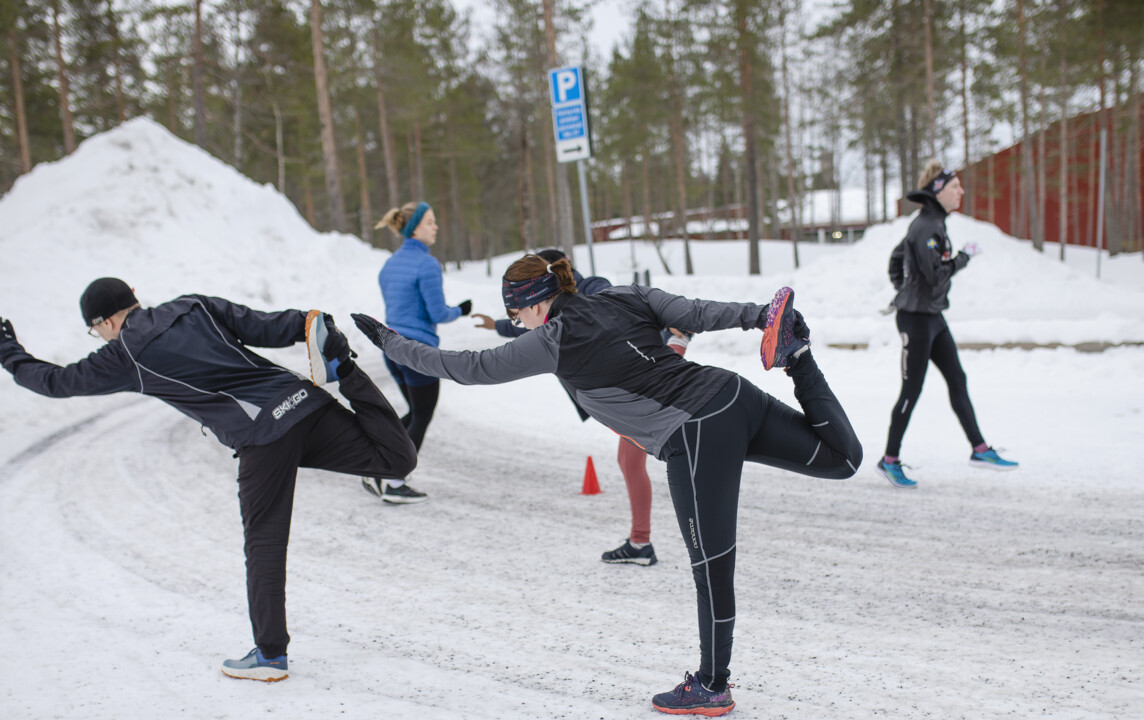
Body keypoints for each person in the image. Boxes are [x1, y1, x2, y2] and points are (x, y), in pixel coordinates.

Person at [351, 256, 863, 716]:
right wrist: (760, 315)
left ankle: (712, 686)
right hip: (732, 395)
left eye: (515, 316)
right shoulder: (624, 295)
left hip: (695, 433)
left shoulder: (552, 339)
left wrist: (391, 342)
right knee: (842, 460)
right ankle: (799, 358)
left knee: (712, 568)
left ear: (530, 304)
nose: (517, 326)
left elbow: (468, 367)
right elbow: (696, 312)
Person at [0, 277, 417, 682]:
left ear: (105, 322)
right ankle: (347, 371)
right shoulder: (194, 305)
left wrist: (8, 352)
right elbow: (268, 326)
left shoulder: (124, 355)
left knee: (264, 539)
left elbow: (57, 382)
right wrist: (307, 322)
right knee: (395, 460)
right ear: (133, 294)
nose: (99, 337)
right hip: (304, 401)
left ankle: (269, 655)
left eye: (95, 330)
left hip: (262, 435)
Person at [471, 248, 685, 567]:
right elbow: (524, 326)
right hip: (630, 392)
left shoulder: (592, 290)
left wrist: (674, 334)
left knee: (678, 458)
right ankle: (641, 541)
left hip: (643, 385)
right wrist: (497, 325)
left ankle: (657, 540)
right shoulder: (550, 310)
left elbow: (628, 310)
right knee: (630, 460)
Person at [877, 161, 1018, 489]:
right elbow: (934, 275)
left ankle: (979, 449)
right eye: (956, 186)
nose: (961, 191)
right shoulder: (926, 226)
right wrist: (963, 258)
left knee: (958, 378)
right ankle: (889, 460)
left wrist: (905, 287)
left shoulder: (932, 222)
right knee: (912, 391)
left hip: (931, 316)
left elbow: (898, 260)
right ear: (938, 191)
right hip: (916, 320)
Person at [368, 201, 472, 504]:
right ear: (414, 227)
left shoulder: (390, 264)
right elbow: (438, 312)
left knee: (415, 412)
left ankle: (376, 466)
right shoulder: (427, 264)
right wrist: (461, 310)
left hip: (392, 348)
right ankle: (395, 480)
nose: (435, 227)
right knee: (422, 414)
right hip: (418, 352)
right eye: (429, 222)